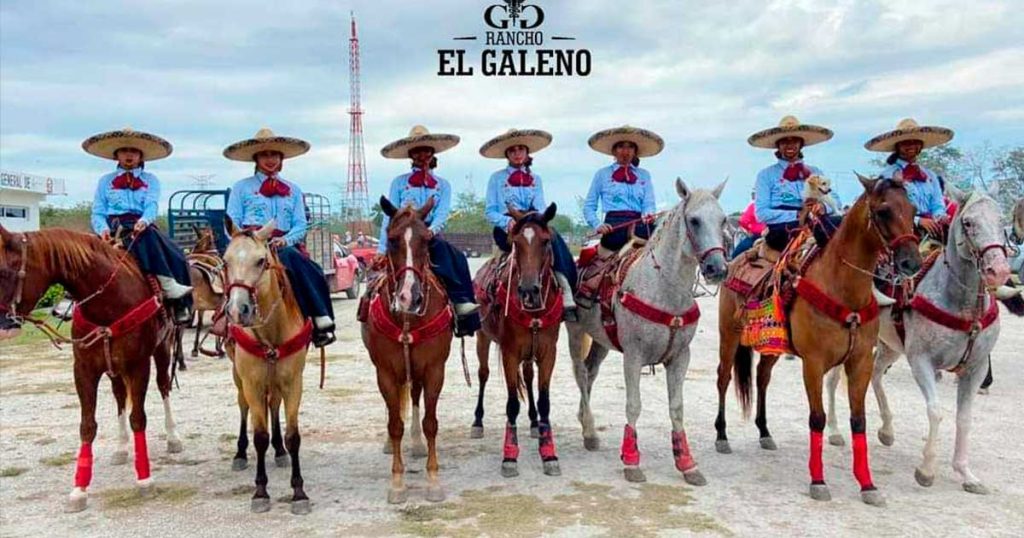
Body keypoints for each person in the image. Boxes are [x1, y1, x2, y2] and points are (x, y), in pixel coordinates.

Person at [224, 127, 336, 347]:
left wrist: (286, 240)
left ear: (281, 158)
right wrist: (246, 241)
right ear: (256, 158)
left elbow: (300, 224)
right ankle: (223, 319)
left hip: (282, 244)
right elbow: (232, 220)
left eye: (275, 155)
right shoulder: (241, 188)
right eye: (265, 155)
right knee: (231, 268)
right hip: (250, 242)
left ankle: (320, 317)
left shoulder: (294, 190)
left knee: (310, 268)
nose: (270, 159)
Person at [377, 125, 480, 336]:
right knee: (380, 273)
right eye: (417, 151)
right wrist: (380, 249)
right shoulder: (399, 183)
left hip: (428, 237)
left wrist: (431, 231)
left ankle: (463, 307)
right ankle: (369, 309)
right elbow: (390, 217)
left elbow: (442, 214)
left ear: (432, 154)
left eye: (426, 150)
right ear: (410, 155)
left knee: (458, 258)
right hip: (403, 235)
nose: (422, 155)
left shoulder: (443, 185)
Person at [84, 127, 192, 323]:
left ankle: (176, 297)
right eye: (124, 151)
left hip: (140, 227)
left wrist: (143, 221)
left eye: (133, 151)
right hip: (112, 228)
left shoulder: (151, 180)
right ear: (116, 154)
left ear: (141, 155)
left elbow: (151, 206)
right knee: (79, 254)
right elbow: (98, 211)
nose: (129, 155)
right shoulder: (105, 181)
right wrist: (102, 230)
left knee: (177, 255)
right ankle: (72, 300)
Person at [481, 128, 578, 320]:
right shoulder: (496, 178)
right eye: (512, 150)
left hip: (533, 223)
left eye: (521, 150)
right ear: (507, 154)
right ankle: (493, 295)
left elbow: (541, 206)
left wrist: (539, 220)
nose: (517, 154)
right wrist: (507, 221)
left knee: (554, 238)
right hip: (508, 227)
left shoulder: (536, 179)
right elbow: (490, 210)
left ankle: (566, 287)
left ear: (527, 153)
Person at [749, 115, 839, 251]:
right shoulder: (766, 175)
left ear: (800, 144)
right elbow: (762, 213)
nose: (790, 145)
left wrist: (822, 207)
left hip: (816, 223)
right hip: (783, 228)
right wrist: (798, 215)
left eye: (794, 141)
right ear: (778, 146)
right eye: (784, 142)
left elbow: (836, 200)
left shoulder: (815, 172)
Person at [865, 118, 954, 239]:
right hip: (902, 232)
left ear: (920, 145)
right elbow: (891, 211)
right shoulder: (887, 176)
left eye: (915, 142)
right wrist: (918, 220)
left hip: (933, 229)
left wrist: (940, 217)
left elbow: (937, 203)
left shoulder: (931, 176)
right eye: (906, 142)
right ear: (898, 146)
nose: (911, 145)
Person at [582, 125, 664, 254]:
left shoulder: (644, 175)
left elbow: (649, 203)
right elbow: (589, 206)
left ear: (635, 151)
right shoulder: (602, 174)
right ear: (614, 151)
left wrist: (649, 214)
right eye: (621, 146)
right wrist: (598, 225)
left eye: (630, 147)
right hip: (613, 228)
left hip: (640, 226)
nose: (625, 151)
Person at [732, 191, 765, 258]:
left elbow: (743, 221)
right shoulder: (773, 206)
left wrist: (749, 229)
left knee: (735, 254)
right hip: (772, 237)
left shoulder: (754, 207)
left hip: (756, 236)